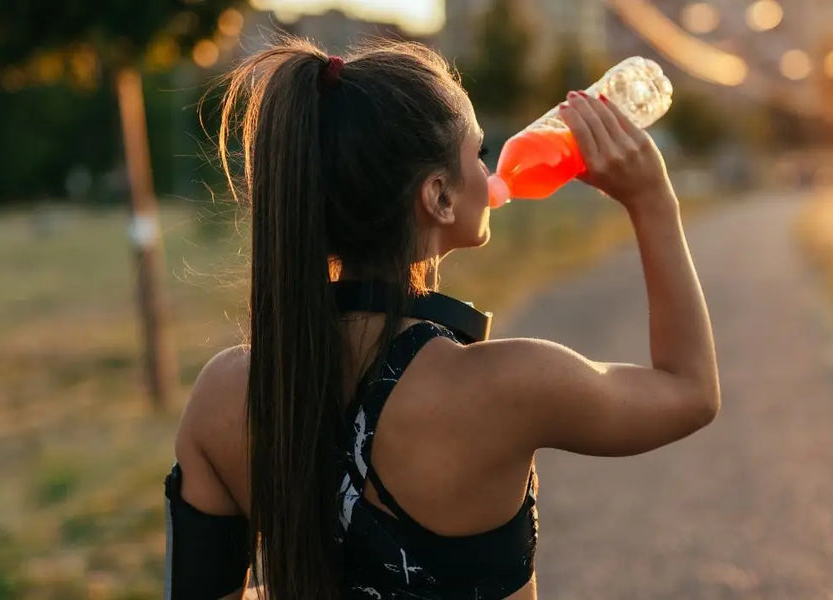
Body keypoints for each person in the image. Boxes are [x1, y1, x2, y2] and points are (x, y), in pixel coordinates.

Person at [165, 38, 719, 600]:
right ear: (439, 198)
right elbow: (689, 392)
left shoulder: (224, 394)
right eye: (477, 152)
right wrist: (652, 199)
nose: (488, 167)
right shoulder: (509, 385)